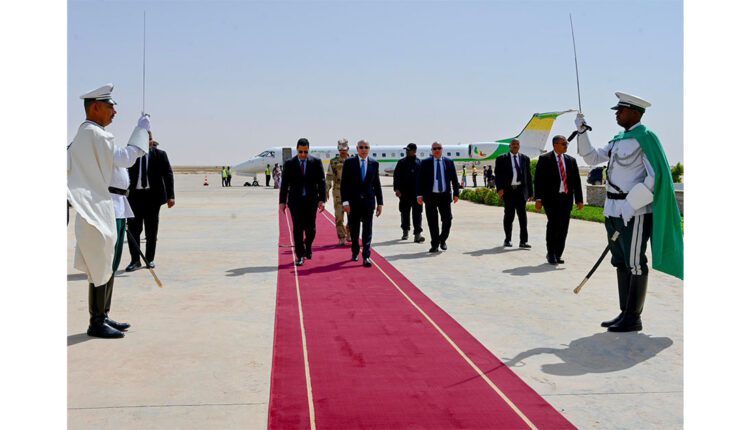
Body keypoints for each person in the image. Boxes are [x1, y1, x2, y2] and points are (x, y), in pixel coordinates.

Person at [575, 92, 683, 332]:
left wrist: (631, 204)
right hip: (613, 209)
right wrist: (582, 133)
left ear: (635, 112)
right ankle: (624, 312)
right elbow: (591, 158)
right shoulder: (617, 140)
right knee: (621, 261)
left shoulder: (646, 138)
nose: (617, 114)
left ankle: (634, 317)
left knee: (635, 262)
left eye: (621, 110)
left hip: (634, 212)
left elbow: (654, 177)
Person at [67, 83, 150, 338]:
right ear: (96, 107)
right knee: (101, 263)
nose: (114, 112)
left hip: (113, 206)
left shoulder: (93, 135)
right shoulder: (95, 134)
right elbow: (125, 158)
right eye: (110, 107)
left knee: (107, 264)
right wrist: (140, 133)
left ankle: (102, 315)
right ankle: (96, 321)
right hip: (103, 208)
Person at [125, 132, 175, 272]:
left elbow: (168, 174)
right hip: (134, 197)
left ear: (151, 140)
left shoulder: (160, 155)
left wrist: (171, 196)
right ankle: (135, 260)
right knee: (133, 230)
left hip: (153, 198)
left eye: (149, 139)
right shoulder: (130, 155)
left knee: (151, 230)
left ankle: (149, 259)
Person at [534, 135, 583, 265]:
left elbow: (576, 182)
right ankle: (551, 253)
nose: (566, 146)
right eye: (563, 144)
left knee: (563, 227)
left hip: (566, 199)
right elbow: (539, 180)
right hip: (551, 199)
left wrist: (579, 200)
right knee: (553, 225)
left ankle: (558, 253)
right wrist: (538, 199)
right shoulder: (545, 159)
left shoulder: (571, 160)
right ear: (555, 145)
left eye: (566, 144)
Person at [279, 138, 327, 266]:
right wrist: (282, 202)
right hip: (295, 202)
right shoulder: (289, 164)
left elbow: (321, 182)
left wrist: (322, 199)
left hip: (311, 201)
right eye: (300, 152)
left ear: (308, 150)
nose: (303, 154)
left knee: (311, 229)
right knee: (298, 228)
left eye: (305, 152)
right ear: (297, 149)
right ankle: (300, 255)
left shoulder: (316, 162)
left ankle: (308, 244)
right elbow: (284, 184)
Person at [341, 139, 384, 267]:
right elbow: (344, 184)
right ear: (357, 149)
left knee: (367, 230)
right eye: (361, 147)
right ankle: (355, 251)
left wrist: (380, 203)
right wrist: (345, 202)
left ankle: (366, 256)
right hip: (353, 203)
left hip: (368, 202)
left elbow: (376, 184)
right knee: (354, 230)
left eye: (366, 147)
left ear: (369, 149)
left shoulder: (374, 163)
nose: (364, 149)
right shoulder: (349, 163)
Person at [417, 141, 460, 253]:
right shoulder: (425, 163)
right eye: (434, 148)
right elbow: (420, 180)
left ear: (442, 149)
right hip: (430, 196)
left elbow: (454, 179)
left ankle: (443, 239)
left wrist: (456, 193)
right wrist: (419, 195)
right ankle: (435, 244)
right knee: (432, 222)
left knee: (447, 220)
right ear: (431, 150)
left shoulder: (449, 162)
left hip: (445, 196)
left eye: (439, 148)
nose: (437, 150)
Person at [495, 138, 533, 248]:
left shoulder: (525, 159)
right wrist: (499, 188)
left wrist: (530, 192)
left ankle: (523, 241)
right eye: (513, 144)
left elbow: (528, 176)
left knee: (523, 217)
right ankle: (508, 239)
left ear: (519, 146)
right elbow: (498, 175)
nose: (515, 145)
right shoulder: (501, 159)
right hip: (508, 191)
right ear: (509, 146)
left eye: (517, 144)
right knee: (509, 216)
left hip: (521, 191)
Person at [393, 143, 425, 243]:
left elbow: (424, 179)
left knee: (417, 214)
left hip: (417, 194)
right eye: (406, 150)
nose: (407, 151)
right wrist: (397, 189)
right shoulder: (401, 162)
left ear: (414, 151)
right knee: (404, 213)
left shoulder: (420, 163)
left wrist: (423, 192)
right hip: (404, 194)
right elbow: (396, 176)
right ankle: (405, 231)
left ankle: (417, 234)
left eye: (409, 150)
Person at [326, 138, 351, 246]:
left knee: (352, 215)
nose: (342, 152)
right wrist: (326, 190)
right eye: (341, 150)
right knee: (339, 216)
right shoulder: (334, 161)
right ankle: (341, 237)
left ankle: (349, 232)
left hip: (351, 192)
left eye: (344, 150)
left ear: (348, 149)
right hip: (338, 192)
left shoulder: (353, 160)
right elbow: (329, 176)